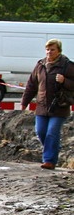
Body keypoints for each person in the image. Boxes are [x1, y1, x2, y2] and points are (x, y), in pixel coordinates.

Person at [21, 38, 73, 170]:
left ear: (59, 51)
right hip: (42, 106)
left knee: (51, 133)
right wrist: (24, 102)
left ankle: (49, 160)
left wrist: (64, 81)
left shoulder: (67, 66)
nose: (49, 52)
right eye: (47, 49)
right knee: (41, 132)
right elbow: (31, 85)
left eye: (52, 49)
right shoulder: (40, 65)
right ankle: (53, 149)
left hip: (59, 107)